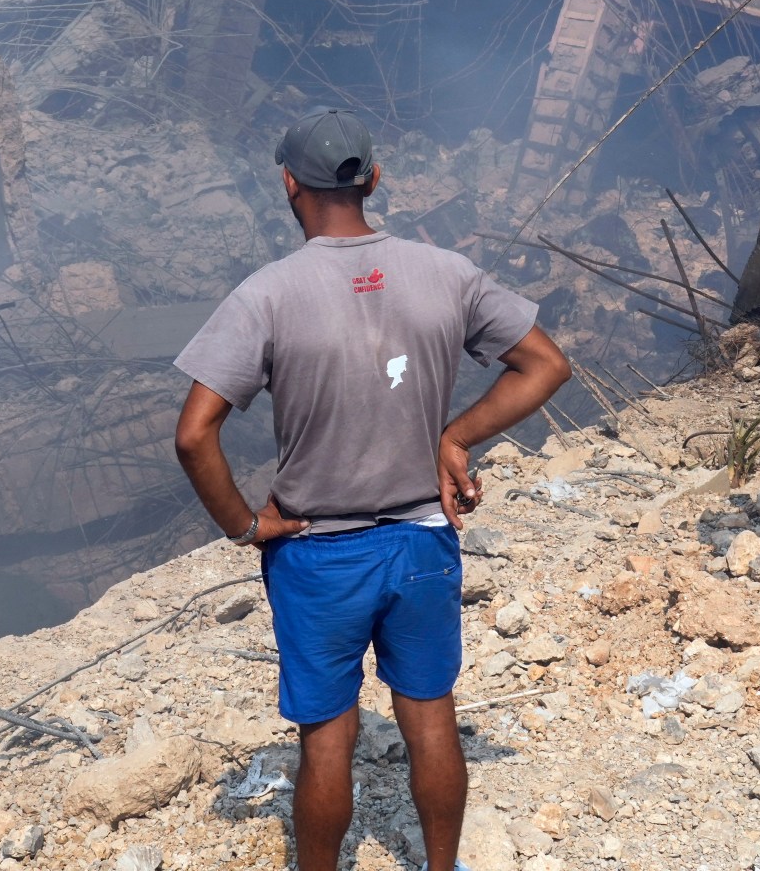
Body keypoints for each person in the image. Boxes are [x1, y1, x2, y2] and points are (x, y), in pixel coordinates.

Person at [174, 107, 572, 871]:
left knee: (328, 738)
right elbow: (546, 365)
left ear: (288, 185)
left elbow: (194, 434)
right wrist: (454, 437)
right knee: (430, 720)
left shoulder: (267, 294)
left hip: (318, 553)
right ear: (374, 179)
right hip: (422, 541)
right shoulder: (446, 272)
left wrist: (244, 526)